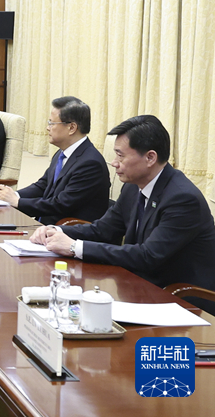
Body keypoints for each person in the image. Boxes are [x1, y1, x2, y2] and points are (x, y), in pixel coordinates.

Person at [30, 116, 215, 308]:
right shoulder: (133, 186)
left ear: (150, 158)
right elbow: (103, 230)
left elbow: (148, 256)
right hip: (138, 286)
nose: (114, 163)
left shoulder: (182, 199)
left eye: (121, 156)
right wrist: (56, 231)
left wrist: (74, 247)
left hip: (180, 301)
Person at [0, 97, 110, 224]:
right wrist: (11, 195)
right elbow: (43, 185)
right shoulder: (62, 152)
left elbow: (62, 204)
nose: (48, 128)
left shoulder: (90, 164)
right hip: (47, 225)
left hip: (66, 229)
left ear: (71, 128)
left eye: (52, 123)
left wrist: (17, 201)